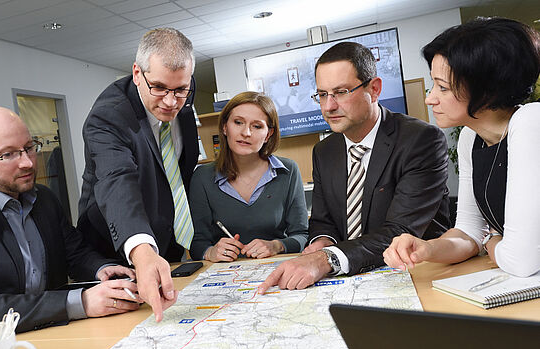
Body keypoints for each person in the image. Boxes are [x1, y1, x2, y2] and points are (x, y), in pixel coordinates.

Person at [259, 41, 450, 293]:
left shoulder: (421, 140)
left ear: (374, 88)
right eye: (322, 94)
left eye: (341, 92)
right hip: (354, 279)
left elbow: (400, 231)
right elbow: (323, 220)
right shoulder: (324, 151)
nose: (328, 107)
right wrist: (322, 242)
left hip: (418, 277)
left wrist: (326, 259)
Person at [383, 17, 540, 277]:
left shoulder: (530, 121)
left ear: (487, 90)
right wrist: (427, 248)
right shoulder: (471, 138)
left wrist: (491, 240)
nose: (429, 98)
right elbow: (468, 233)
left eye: (443, 88)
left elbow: (520, 261)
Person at [0, 106, 142, 333]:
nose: (28, 163)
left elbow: (75, 252)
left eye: (29, 148)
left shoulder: (44, 199)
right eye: (8, 154)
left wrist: (103, 269)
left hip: (55, 334)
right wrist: (81, 302)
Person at [77, 28, 198, 321]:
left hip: (165, 247)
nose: (171, 101)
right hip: (114, 256)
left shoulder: (183, 101)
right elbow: (117, 181)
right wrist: (142, 252)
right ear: (136, 73)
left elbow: (176, 175)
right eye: (158, 87)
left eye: (181, 89)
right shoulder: (108, 115)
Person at [189, 92, 308, 262]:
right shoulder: (202, 177)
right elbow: (197, 243)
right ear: (224, 127)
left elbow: (302, 236)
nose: (246, 133)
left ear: (268, 134)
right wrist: (210, 252)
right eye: (238, 122)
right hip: (224, 275)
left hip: (276, 270)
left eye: (257, 126)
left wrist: (277, 245)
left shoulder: (288, 171)